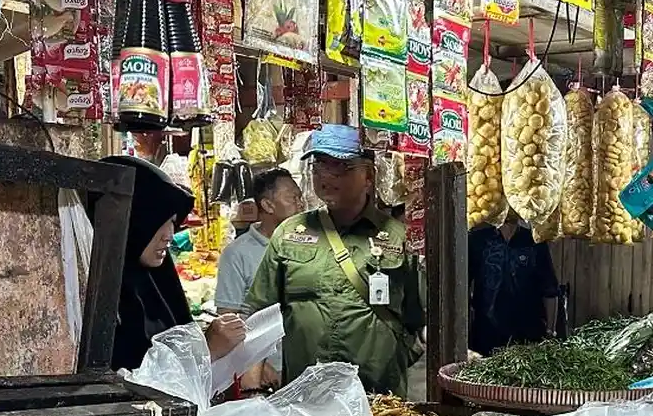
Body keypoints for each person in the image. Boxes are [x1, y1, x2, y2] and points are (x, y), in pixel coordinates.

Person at [243, 125, 423, 395]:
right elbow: (260, 311)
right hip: (304, 397)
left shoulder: (399, 238)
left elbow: (415, 317)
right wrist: (251, 386)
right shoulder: (290, 234)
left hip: (375, 398)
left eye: (341, 166)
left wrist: (387, 360)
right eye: (320, 166)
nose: (327, 176)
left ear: (368, 176)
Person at [99, 155, 245, 371]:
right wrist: (208, 352)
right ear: (131, 220)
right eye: (160, 222)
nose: (169, 234)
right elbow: (129, 378)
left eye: (173, 222)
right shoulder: (98, 294)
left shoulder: (160, 280)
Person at [214, 168, 304, 316]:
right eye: (292, 198)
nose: (300, 204)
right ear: (268, 205)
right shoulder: (237, 254)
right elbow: (227, 317)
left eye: (300, 198)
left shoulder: (308, 241)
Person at [468, 212, 559, 356]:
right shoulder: (478, 241)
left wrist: (550, 332)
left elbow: (550, 289)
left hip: (528, 334)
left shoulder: (535, 241)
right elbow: (462, 288)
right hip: (487, 333)